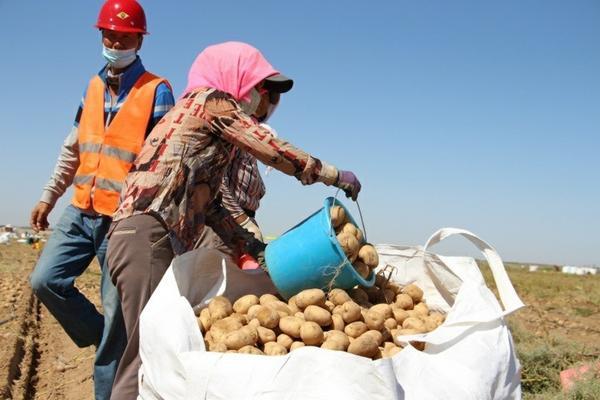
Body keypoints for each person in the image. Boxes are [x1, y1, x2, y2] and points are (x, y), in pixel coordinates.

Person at [106, 41, 361, 399]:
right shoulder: (210, 101)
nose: (265, 101)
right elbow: (272, 149)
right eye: (262, 88)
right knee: (146, 358)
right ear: (235, 77)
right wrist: (332, 175)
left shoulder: (204, 133)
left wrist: (251, 245)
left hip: (146, 237)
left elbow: (210, 207)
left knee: (157, 354)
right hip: (145, 236)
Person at [28, 1, 175, 399]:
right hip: (81, 209)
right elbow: (72, 147)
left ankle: (108, 386)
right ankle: (103, 341)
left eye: (124, 35)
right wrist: (49, 196)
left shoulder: (157, 91)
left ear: (139, 39)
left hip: (122, 221)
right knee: (45, 281)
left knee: (117, 314)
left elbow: (165, 162)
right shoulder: (91, 87)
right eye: (108, 33)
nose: (115, 40)